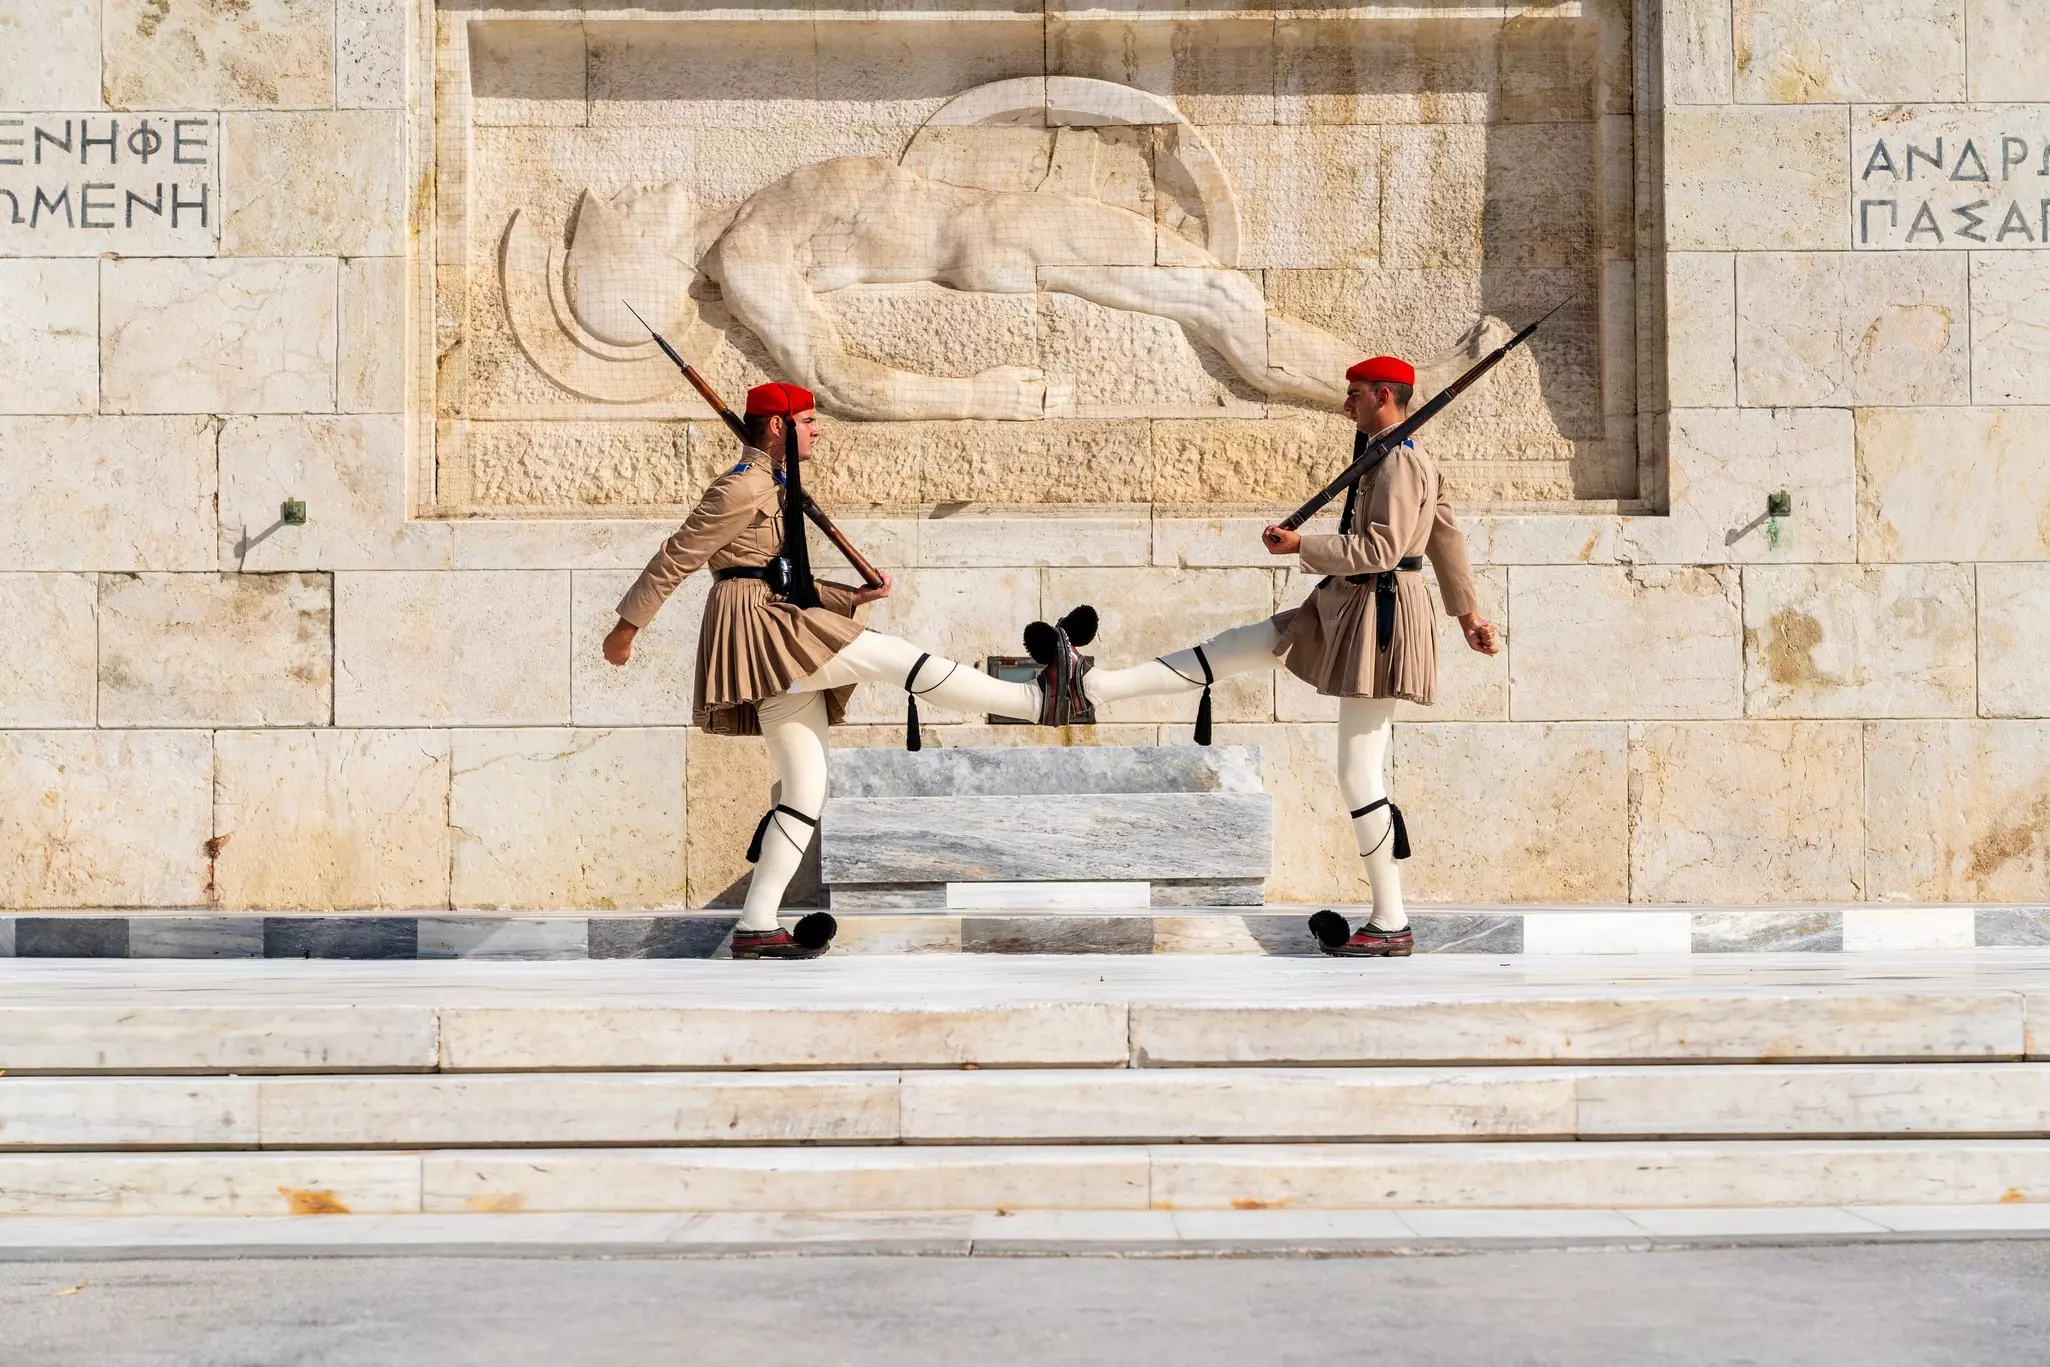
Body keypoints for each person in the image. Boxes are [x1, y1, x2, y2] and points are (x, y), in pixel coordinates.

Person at [601, 382, 1089, 959]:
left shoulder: (775, 484)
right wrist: (628, 627)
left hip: (775, 619)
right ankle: (1038, 700)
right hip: (763, 632)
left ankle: (757, 926)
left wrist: (851, 598)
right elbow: (678, 554)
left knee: (806, 788)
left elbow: (777, 572)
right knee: (894, 656)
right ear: (778, 426)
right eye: (807, 421)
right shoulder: (742, 485)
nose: (817, 430)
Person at [1078, 356, 1501, 957]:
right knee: (1245, 644)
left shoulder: (1403, 459)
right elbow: (1448, 538)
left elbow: (1384, 548)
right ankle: (1098, 689)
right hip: (1347, 604)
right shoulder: (1392, 451)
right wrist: (1469, 617)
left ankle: (1391, 920)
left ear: (1384, 395)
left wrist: (1304, 544)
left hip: (1376, 616)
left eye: (1354, 394)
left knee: (1359, 771)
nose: (1345, 404)